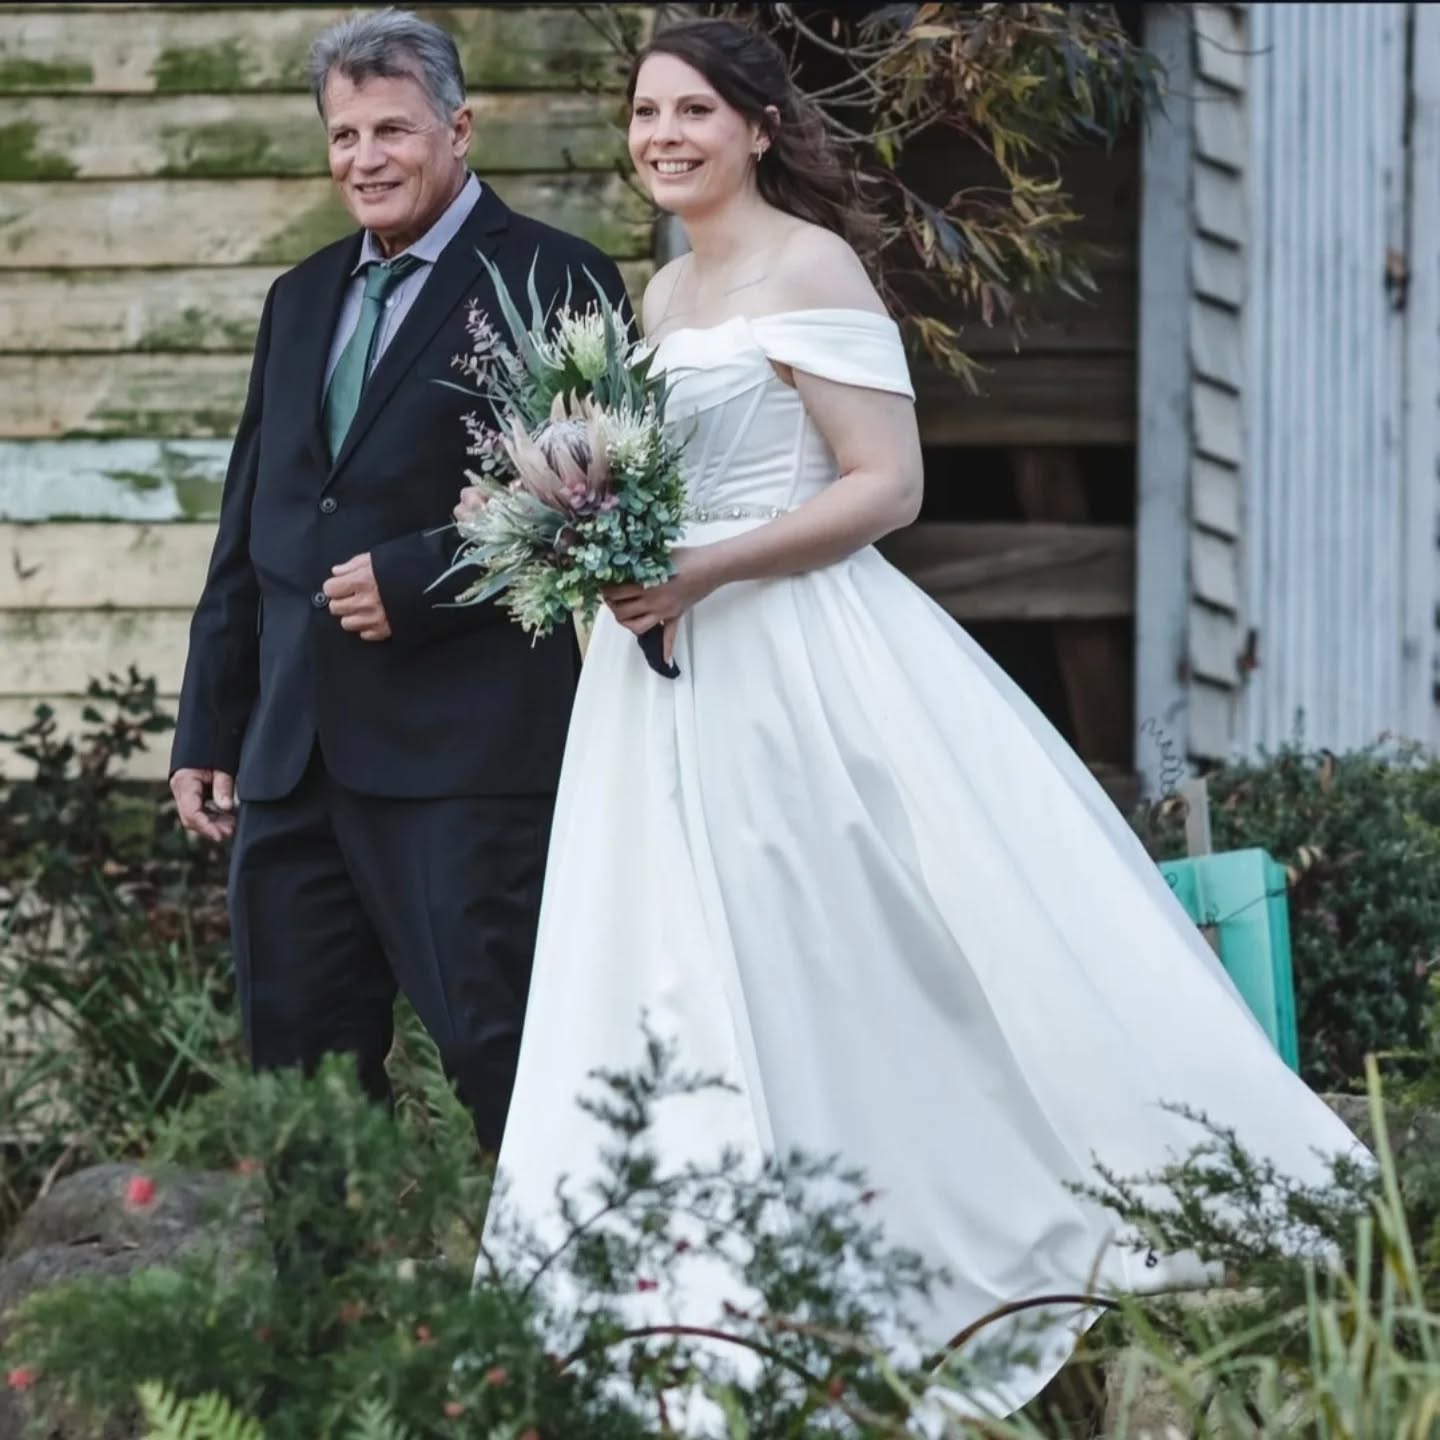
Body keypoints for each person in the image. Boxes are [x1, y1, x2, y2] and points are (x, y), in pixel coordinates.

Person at [478, 16, 1364, 1419]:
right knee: (671, 955)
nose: (663, 137)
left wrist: (701, 567)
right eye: (647, 113)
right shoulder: (658, 300)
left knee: (843, 942)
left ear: (759, 128)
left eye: (693, 111)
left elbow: (884, 487)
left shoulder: (811, 266)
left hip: (793, 650)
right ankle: (704, 1288)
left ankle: (936, 1224)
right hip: (659, 682)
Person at [168, 7, 630, 1155]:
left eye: (392, 130)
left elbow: (597, 497)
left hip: (464, 759)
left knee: (501, 1055)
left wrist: (422, 578)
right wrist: (206, 724)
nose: (364, 159)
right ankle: (325, 1328)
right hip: (291, 758)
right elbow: (252, 529)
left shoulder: (556, 277)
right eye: (342, 136)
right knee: (303, 1085)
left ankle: (553, 1317)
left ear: (459, 130)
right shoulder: (299, 298)